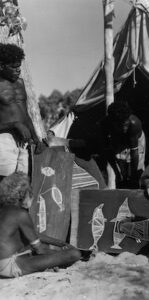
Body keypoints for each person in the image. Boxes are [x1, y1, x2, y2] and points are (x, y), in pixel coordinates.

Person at [0, 172, 91, 278]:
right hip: (9, 266)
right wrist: (59, 253)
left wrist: (61, 243)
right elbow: (40, 249)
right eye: (30, 192)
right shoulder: (21, 214)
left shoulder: (4, 210)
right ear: (24, 194)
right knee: (74, 254)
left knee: (30, 247)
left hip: (4, 261)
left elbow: (33, 234)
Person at [0, 43, 44, 181]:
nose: (18, 70)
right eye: (13, 67)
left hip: (24, 142)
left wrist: (37, 139)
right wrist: (14, 125)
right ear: (1, 66)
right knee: (4, 185)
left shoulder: (20, 83)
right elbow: (18, 121)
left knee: (23, 184)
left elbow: (25, 115)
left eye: (19, 66)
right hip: (4, 141)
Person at [102, 101, 146, 188]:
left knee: (136, 176)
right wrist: (117, 172)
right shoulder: (104, 125)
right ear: (113, 122)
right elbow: (108, 152)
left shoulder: (134, 124)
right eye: (122, 124)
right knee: (122, 178)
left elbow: (134, 152)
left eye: (126, 123)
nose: (125, 127)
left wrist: (134, 176)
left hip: (135, 143)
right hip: (118, 143)